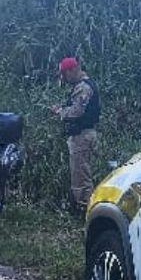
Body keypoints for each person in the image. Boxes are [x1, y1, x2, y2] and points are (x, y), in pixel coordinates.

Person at [49, 56, 100, 211]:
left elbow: (76, 111)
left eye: (65, 74)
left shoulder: (83, 87)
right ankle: (83, 207)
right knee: (81, 173)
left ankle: (85, 209)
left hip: (82, 137)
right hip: (84, 135)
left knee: (81, 176)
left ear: (72, 70)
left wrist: (60, 111)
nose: (64, 78)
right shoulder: (85, 85)